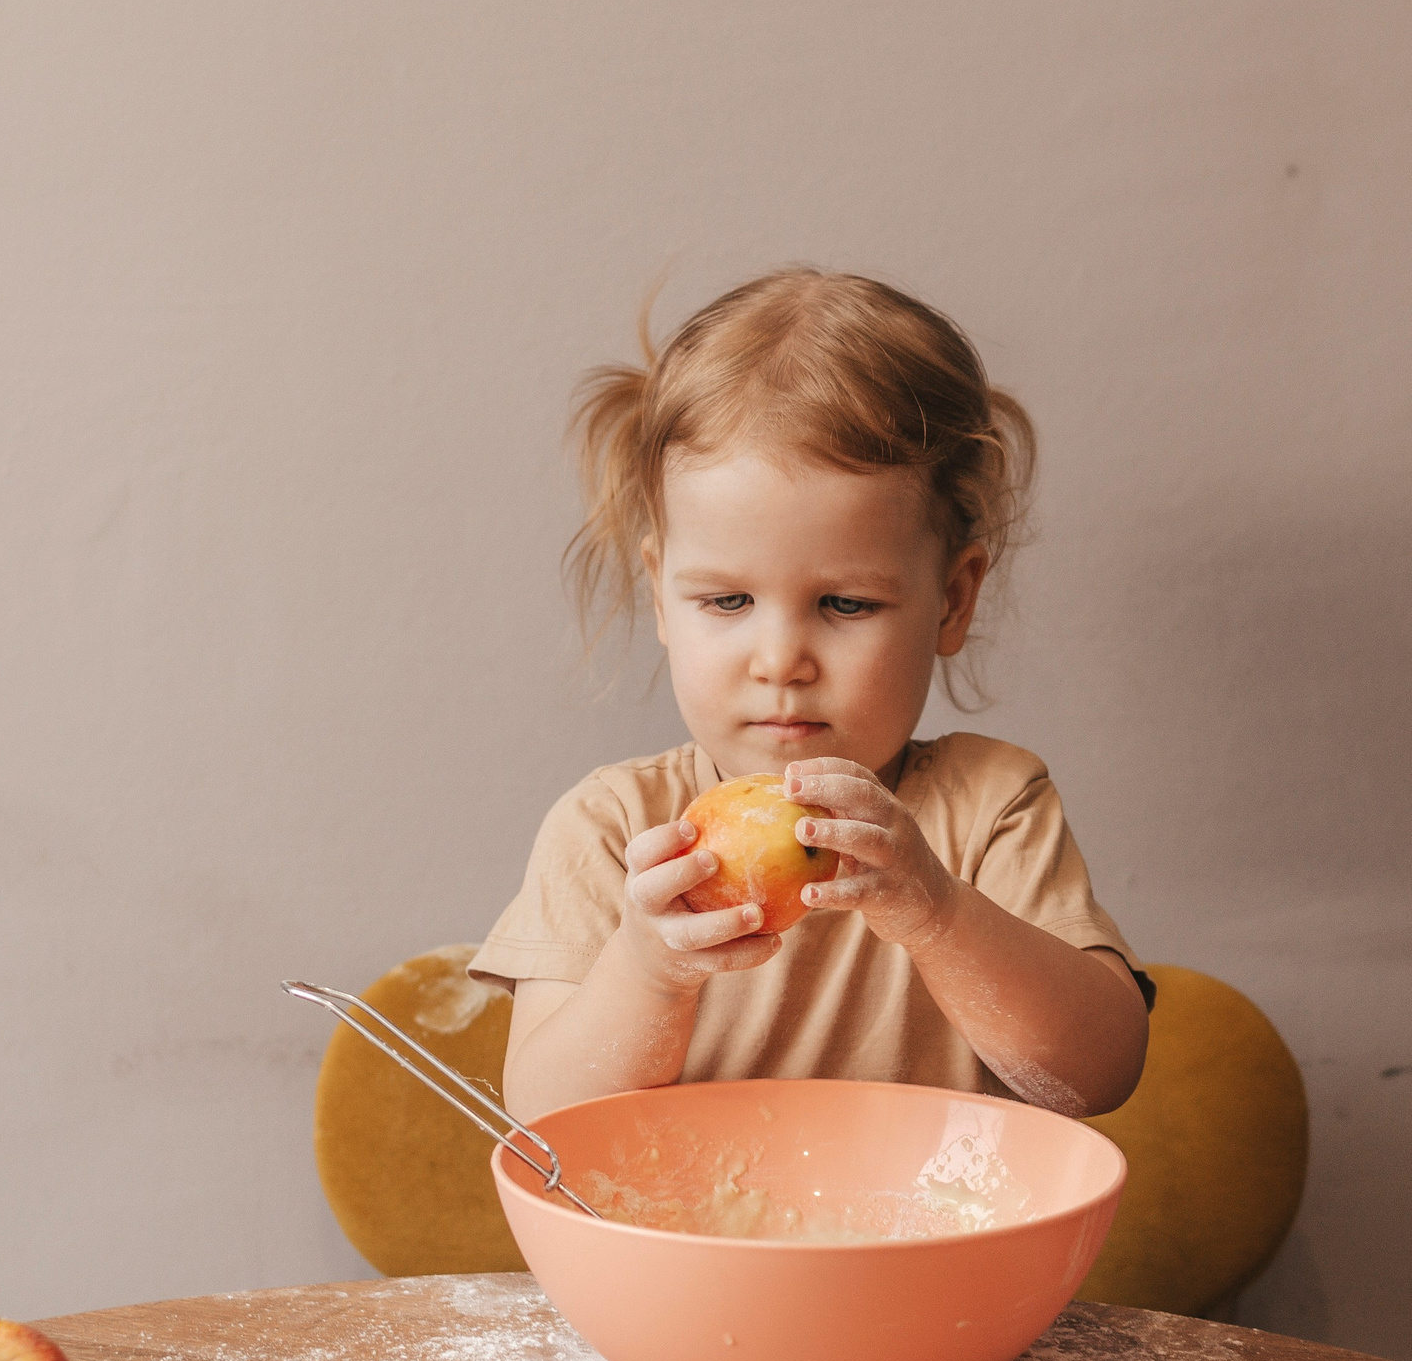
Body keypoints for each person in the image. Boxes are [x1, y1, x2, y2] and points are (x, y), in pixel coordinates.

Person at [471, 268, 1151, 1124]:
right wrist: (650, 968)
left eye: (845, 604)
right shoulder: (615, 829)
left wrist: (937, 913)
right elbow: (544, 1119)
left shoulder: (989, 809)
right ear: (660, 598)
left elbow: (1096, 1074)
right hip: (690, 1258)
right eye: (726, 602)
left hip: (927, 1253)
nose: (781, 660)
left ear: (952, 599)